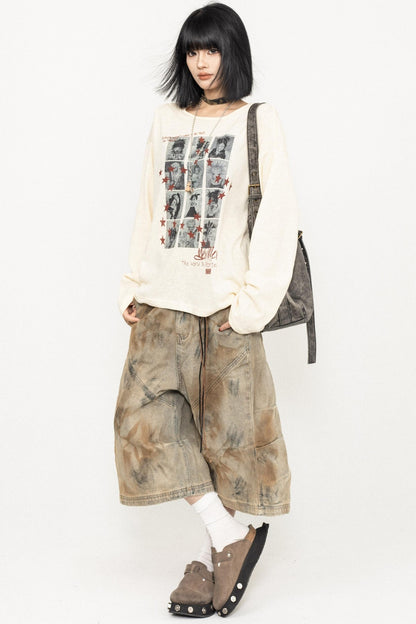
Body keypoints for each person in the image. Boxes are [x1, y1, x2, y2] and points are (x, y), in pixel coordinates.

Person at [113, 2, 299, 618]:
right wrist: (133, 283)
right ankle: (228, 536)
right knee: (143, 425)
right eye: (193, 50)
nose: (201, 62)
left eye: (212, 49)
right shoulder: (166, 119)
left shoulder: (258, 120)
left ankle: (214, 551)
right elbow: (148, 206)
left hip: (225, 307)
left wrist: (251, 307)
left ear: (232, 52)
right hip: (162, 303)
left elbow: (278, 217)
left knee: (228, 438)